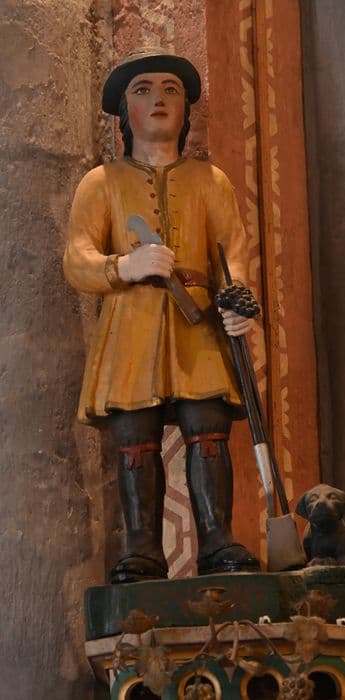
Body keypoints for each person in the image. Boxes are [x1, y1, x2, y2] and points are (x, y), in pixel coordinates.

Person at [63, 48, 260, 584]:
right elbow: (78, 258)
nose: (158, 99)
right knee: (135, 429)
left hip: (198, 321)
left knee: (207, 423)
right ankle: (143, 549)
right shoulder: (101, 182)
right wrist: (124, 266)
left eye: (171, 90)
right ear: (124, 111)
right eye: (143, 90)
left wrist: (236, 299)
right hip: (132, 324)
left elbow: (232, 251)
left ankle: (217, 540)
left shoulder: (210, 181)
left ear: (186, 109)